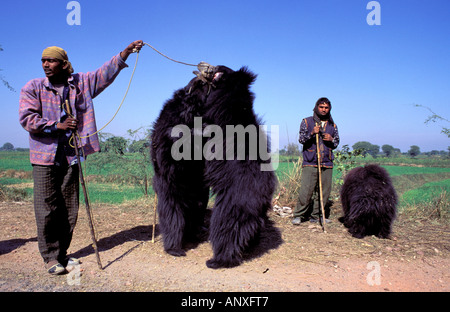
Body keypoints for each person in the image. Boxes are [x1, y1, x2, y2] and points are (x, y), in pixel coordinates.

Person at [19, 40, 144, 274]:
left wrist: (125, 53)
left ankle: (63, 254)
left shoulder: (81, 83)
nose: (46, 64)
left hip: (71, 154)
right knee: (46, 208)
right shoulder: (33, 87)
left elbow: (104, 73)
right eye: (43, 61)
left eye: (51, 60)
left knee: (69, 207)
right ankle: (50, 257)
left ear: (64, 64)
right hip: (44, 157)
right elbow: (27, 119)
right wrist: (57, 125)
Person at [292, 97, 340, 225]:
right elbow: (301, 139)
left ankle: (317, 216)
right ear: (316, 107)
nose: (324, 110)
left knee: (324, 192)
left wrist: (331, 139)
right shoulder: (306, 122)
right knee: (306, 190)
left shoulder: (332, 125)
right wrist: (312, 132)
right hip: (311, 161)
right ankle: (299, 215)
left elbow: (336, 143)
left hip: (327, 162)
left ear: (329, 109)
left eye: (326, 108)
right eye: (321, 107)